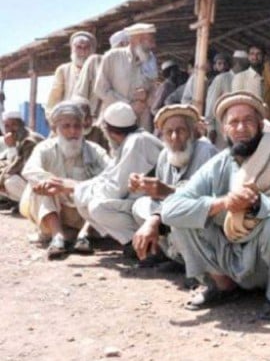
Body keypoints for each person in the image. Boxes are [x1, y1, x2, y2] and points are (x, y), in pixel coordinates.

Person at [162, 91, 270, 319]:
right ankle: (222, 285)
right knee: (183, 217)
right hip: (229, 254)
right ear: (224, 129)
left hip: (265, 257)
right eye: (234, 122)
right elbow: (169, 209)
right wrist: (223, 203)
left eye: (248, 121)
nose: (241, 128)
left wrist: (260, 204)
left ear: (260, 124)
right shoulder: (219, 163)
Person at [130, 104, 217, 265]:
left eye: (181, 131)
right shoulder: (165, 155)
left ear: (192, 133)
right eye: (169, 132)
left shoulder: (206, 151)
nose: (175, 137)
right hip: (172, 211)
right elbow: (160, 199)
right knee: (140, 205)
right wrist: (143, 184)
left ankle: (200, 268)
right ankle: (170, 256)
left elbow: (203, 197)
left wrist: (162, 204)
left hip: (201, 220)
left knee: (177, 216)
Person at [21, 101, 109, 258]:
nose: (73, 131)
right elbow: (29, 170)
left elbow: (111, 175)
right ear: (55, 129)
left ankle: (84, 236)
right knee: (42, 187)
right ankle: (58, 237)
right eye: (66, 126)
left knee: (101, 191)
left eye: (77, 126)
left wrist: (74, 187)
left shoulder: (95, 151)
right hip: (55, 211)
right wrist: (54, 183)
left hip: (86, 214)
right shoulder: (44, 148)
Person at [74, 102, 163, 252]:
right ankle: (135, 243)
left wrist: (79, 190)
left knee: (97, 207)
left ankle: (147, 248)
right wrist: (77, 188)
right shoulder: (129, 142)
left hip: (156, 207)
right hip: (141, 203)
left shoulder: (136, 143)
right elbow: (108, 177)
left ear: (110, 131)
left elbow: (116, 189)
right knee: (84, 200)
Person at [95, 22, 158, 132]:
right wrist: (128, 106)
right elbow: (100, 89)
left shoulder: (150, 60)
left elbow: (154, 88)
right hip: (116, 122)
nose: (153, 45)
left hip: (142, 124)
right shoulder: (112, 57)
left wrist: (147, 96)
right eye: (150, 41)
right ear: (137, 40)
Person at [73, 29, 129, 119]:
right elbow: (80, 94)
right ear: (122, 44)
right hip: (94, 119)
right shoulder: (96, 61)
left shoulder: (131, 68)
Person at [46, 31, 97, 117]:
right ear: (72, 49)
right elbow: (54, 97)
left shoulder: (99, 69)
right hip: (70, 118)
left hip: (93, 119)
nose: (83, 51)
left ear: (92, 50)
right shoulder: (63, 70)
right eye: (79, 47)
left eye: (86, 48)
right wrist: (51, 117)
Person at [0, 112, 44, 208]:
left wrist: (11, 147)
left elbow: (20, 169)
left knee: (10, 181)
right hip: (32, 183)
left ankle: (32, 206)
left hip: (41, 186)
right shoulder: (19, 139)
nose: (10, 129)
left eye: (14, 125)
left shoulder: (29, 140)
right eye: (7, 126)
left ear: (21, 125)